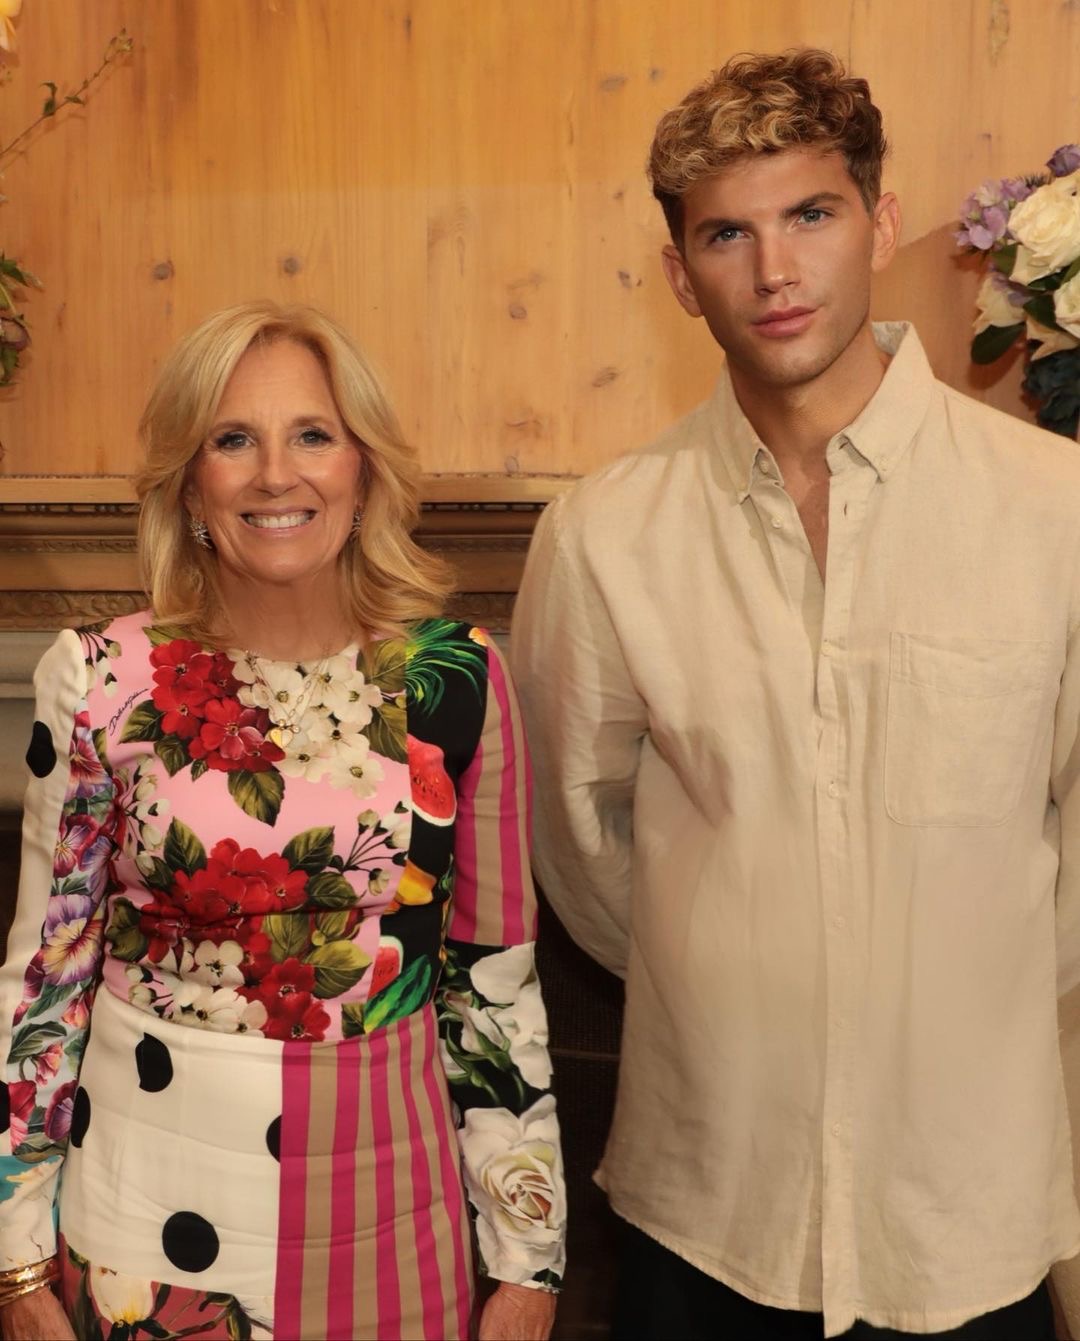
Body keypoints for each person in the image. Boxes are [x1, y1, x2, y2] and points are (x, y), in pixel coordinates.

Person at [510, 47, 1080, 1341]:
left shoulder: (1055, 513)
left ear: (879, 224)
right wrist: (737, 960)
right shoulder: (604, 537)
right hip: (706, 1210)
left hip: (965, 1215)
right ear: (680, 274)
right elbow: (583, 846)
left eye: (811, 215)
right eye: (728, 233)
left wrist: (944, 978)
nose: (775, 271)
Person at [0, 301, 565, 1341]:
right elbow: (44, 977)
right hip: (145, 1229)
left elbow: (494, 984)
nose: (275, 473)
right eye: (232, 439)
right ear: (191, 484)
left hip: (395, 1232)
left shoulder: (458, 677)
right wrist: (15, 1255)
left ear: (363, 468)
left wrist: (530, 1260)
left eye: (312, 434)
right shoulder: (97, 676)